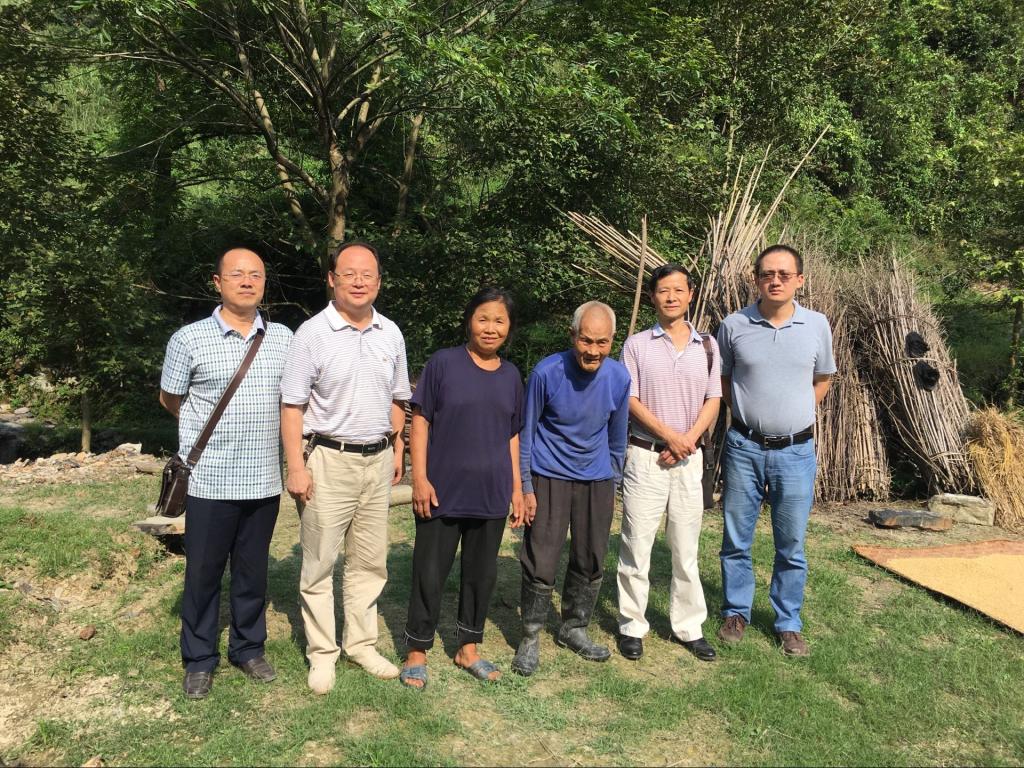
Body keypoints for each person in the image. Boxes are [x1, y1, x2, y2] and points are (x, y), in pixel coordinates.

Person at [159, 247, 293, 700]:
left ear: (264, 284)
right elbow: (170, 398)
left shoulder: (283, 338)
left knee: (253, 573)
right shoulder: (189, 339)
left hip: (264, 479)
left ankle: (248, 648)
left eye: (256, 275)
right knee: (202, 573)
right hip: (209, 479)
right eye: (237, 274)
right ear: (217, 283)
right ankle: (199, 659)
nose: (247, 281)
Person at [280, 241, 411, 693]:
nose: (359, 282)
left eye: (367, 274)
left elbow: (399, 398)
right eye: (349, 273)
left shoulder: (391, 333)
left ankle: (361, 643)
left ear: (378, 282)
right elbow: (292, 406)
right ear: (332, 279)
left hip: (377, 461)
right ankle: (322, 654)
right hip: (327, 460)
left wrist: (396, 448)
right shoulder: (311, 334)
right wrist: (296, 467)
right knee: (319, 562)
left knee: (370, 561)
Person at [399, 288, 526, 690]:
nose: (490, 327)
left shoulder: (511, 375)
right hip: (442, 489)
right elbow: (421, 421)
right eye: (483, 318)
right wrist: (419, 477)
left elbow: (512, 435)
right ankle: (417, 650)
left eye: (499, 320)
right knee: (429, 572)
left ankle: (467, 648)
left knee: (481, 574)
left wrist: (517, 489)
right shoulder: (444, 363)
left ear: (509, 327)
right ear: (469, 320)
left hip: (491, 492)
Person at [716, 244, 835, 657]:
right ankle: (736, 612)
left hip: (795, 452)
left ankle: (788, 622)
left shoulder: (816, 325)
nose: (776, 280)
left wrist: (794, 416)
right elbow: (724, 380)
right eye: (767, 273)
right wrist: (748, 416)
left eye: (784, 274)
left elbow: (823, 378)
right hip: (743, 447)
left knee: (792, 544)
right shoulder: (734, 325)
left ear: (799, 279)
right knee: (736, 539)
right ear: (756, 279)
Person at [512, 301, 630, 677]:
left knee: (591, 556)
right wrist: (526, 486)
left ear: (613, 340)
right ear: (572, 335)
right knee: (541, 556)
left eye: (602, 342)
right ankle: (530, 635)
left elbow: (618, 437)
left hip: (597, 479)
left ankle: (574, 627)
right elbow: (527, 432)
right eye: (586, 340)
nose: (593, 351)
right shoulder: (547, 372)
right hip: (549, 475)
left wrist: (613, 481)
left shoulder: (619, 378)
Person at [615, 265, 722, 662]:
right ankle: (631, 625)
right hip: (645, 456)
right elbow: (630, 399)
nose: (671, 297)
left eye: (679, 290)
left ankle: (688, 627)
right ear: (653, 297)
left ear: (690, 295)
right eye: (663, 290)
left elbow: (714, 399)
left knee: (685, 548)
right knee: (636, 545)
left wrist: (686, 440)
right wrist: (669, 435)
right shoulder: (636, 345)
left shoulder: (707, 345)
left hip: (689, 459)